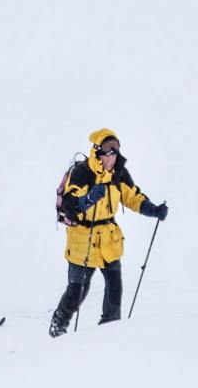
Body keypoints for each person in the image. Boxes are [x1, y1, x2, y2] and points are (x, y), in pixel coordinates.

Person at [51, 128, 168, 335]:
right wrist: (87, 200)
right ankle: (58, 325)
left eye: (115, 152)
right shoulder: (81, 172)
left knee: (115, 289)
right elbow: (69, 205)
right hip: (82, 241)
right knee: (77, 291)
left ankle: (108, 334)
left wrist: (153, 210)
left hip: (108, 240)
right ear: (97, 152)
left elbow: (132, 196)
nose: (112, 157)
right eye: (107, 152)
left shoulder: (119, 173)